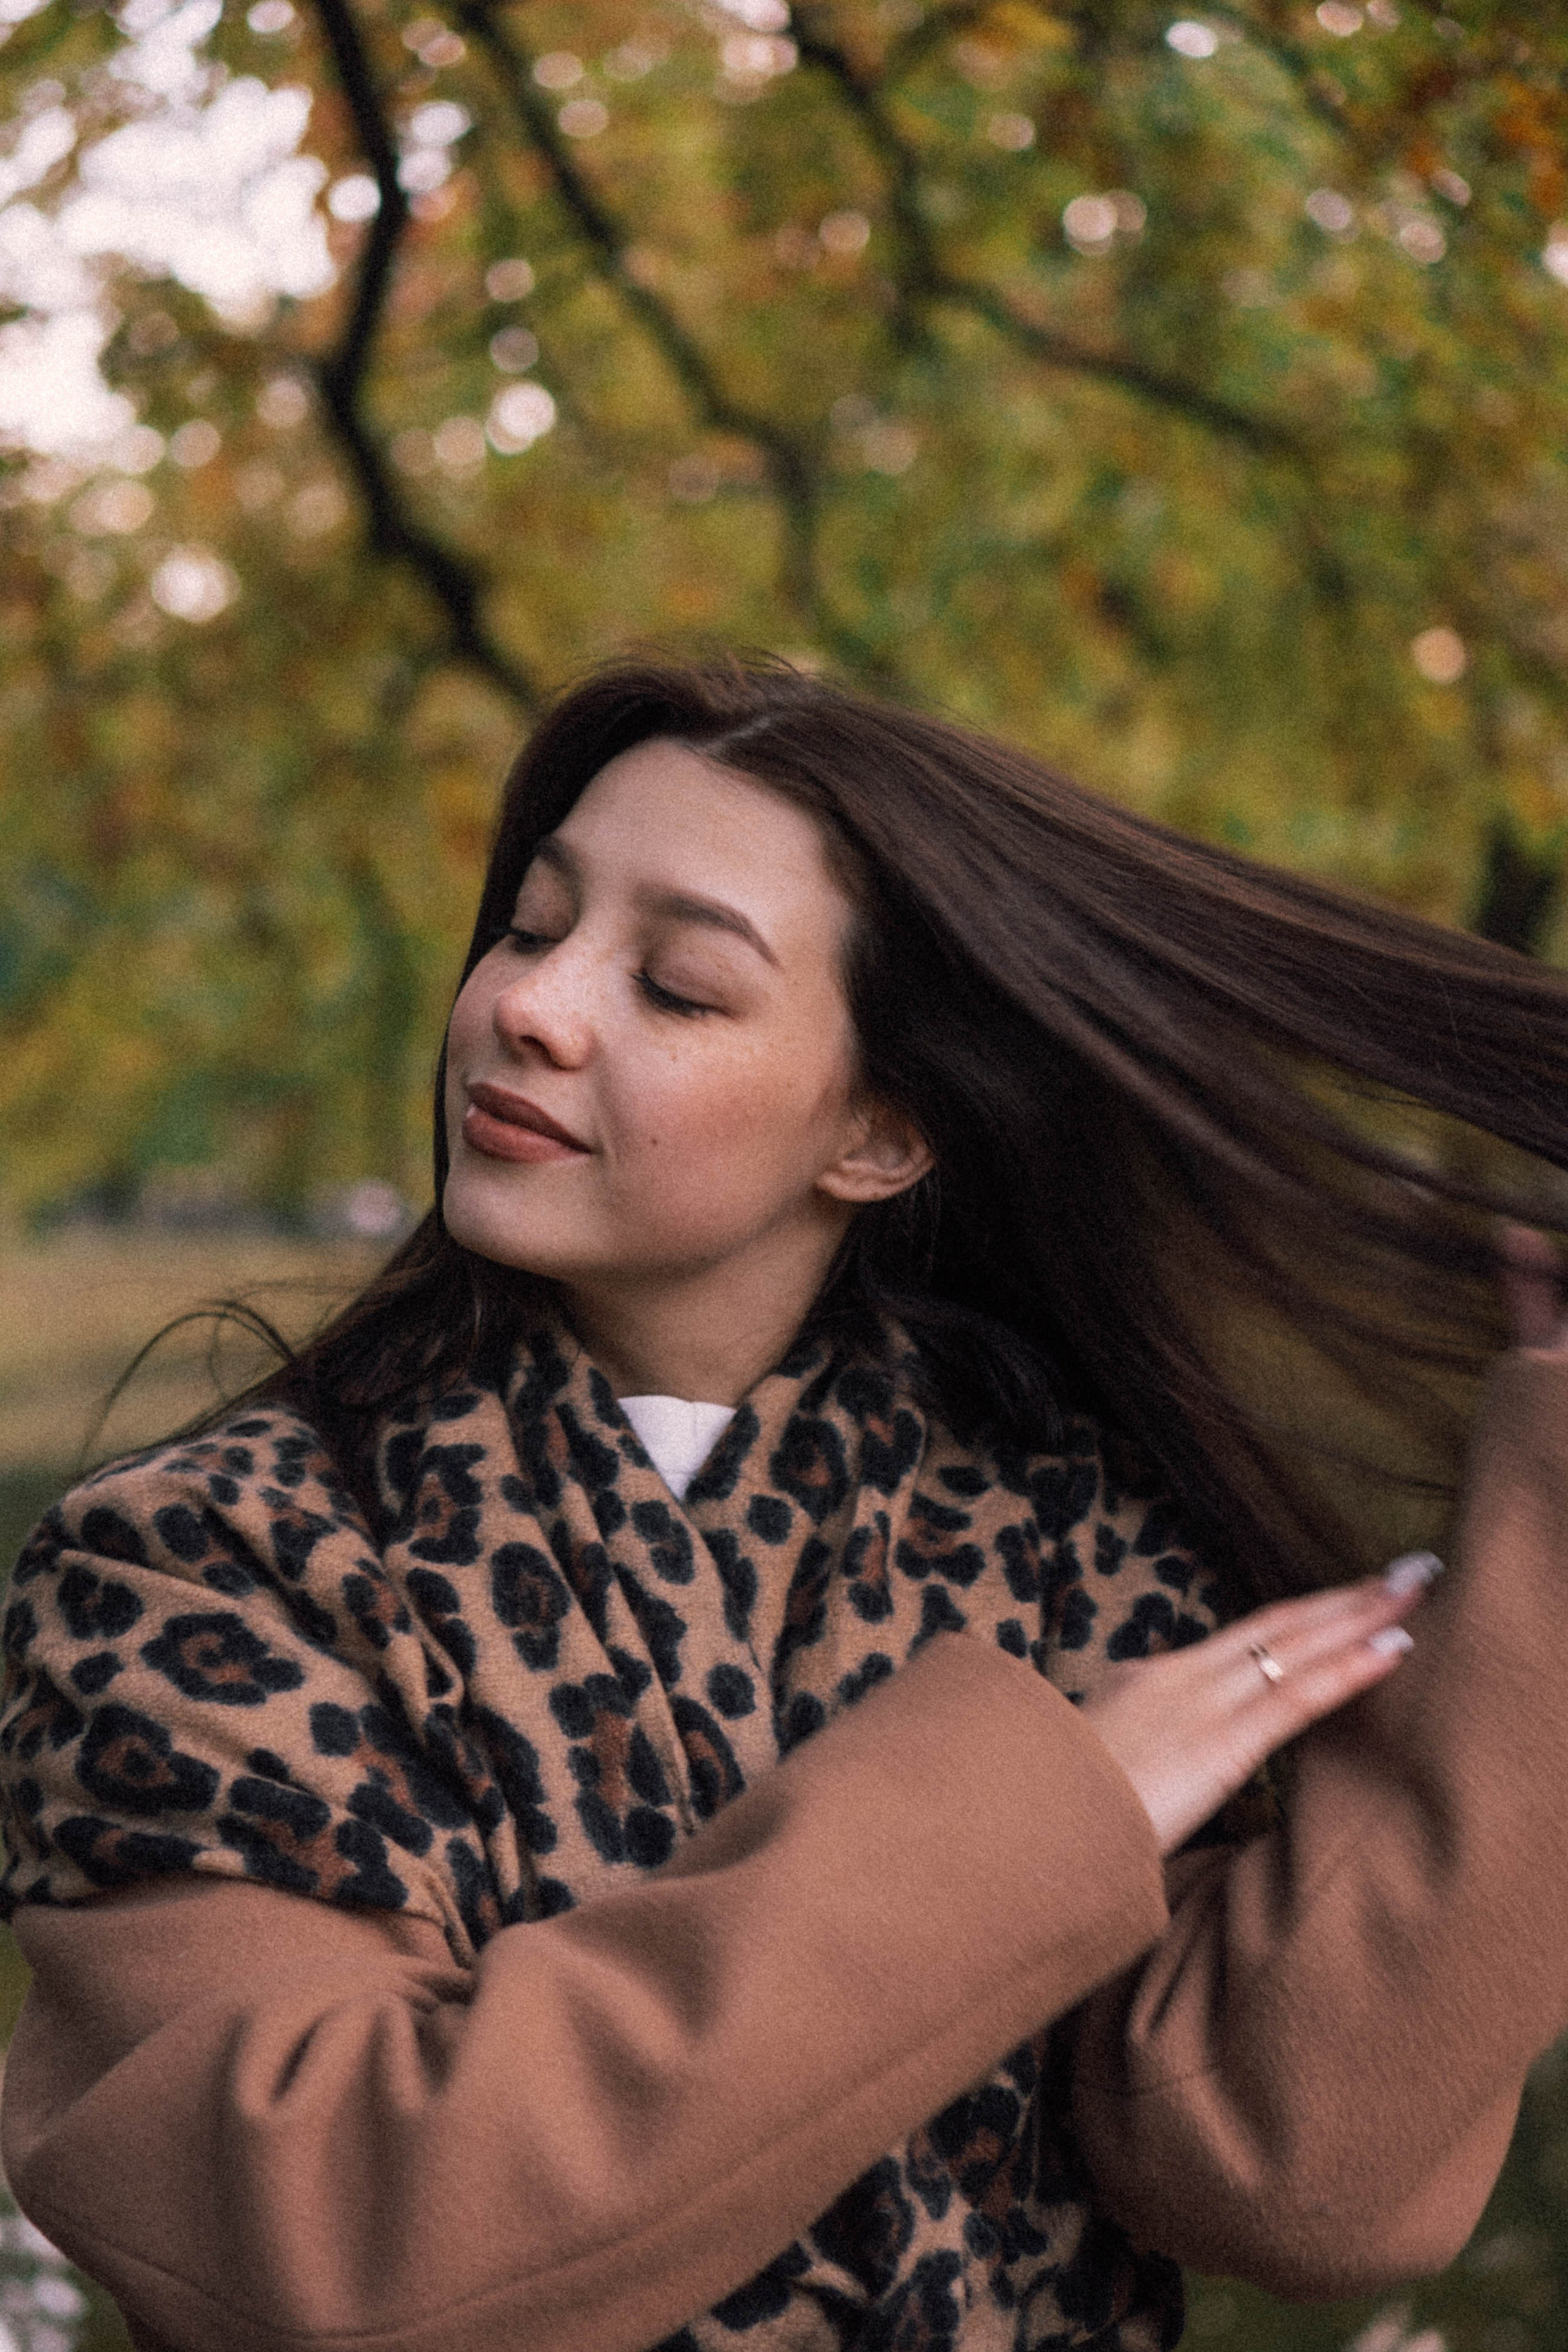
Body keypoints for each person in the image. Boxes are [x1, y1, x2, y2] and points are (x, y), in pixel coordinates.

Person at [3, 655, 1568, 2352]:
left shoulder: (1059, 1535)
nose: (530, 1002)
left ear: (883, 1136)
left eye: (676, 987)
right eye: (532, 926)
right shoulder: (205, 1568)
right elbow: (334, 2250)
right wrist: (1043, 1817)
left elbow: (1294, 2172)